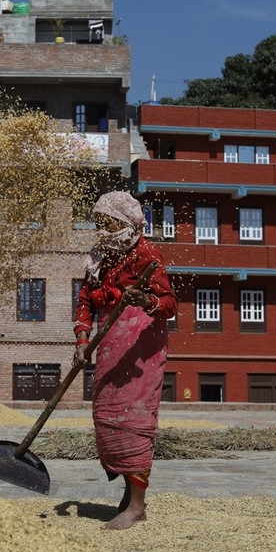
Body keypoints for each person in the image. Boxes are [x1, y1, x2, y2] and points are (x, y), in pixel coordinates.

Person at [73, 191, 178, 530]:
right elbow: (86, 301)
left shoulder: (145, 252)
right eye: (99, 222)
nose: (103, 228)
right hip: (110, 342)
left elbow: (170, 304)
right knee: (107, 417)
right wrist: (82, 340)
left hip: (141, 344)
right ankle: (127, 496)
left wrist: (144, 299)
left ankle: (137, 507)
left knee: (133, 419)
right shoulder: (99, 256)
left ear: (124, 222)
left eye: (108, 222)